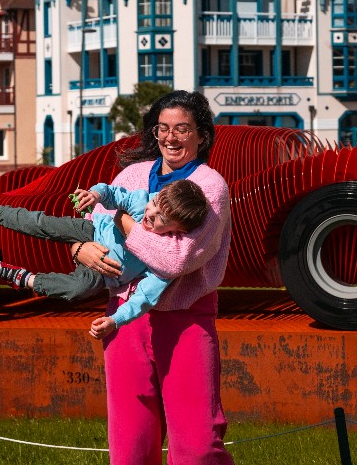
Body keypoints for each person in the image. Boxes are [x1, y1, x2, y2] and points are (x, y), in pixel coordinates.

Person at [72, 90, 234, 464]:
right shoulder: (131, 175)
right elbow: (88, 226)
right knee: (129, 447)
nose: (170, 137)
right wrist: (80, 250)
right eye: (163, 128)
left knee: (197, 448)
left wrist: (121, 220)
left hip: (185, 319)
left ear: (201, 136)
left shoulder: (211, 188)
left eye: (182, 129)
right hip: (123, 318)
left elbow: (177, 258)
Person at [0, 179, 209, 336]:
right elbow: (113, 193)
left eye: (162, 218)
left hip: (103, 275)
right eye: (155, 204)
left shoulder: (164, 259)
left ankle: (20, 278)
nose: (151, 215)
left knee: (77, 289)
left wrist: (115, 321)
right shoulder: (143, 203)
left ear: (179, 231)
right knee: (41, 223)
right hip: (93, 230)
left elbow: (144, 298)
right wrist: (93, 194)